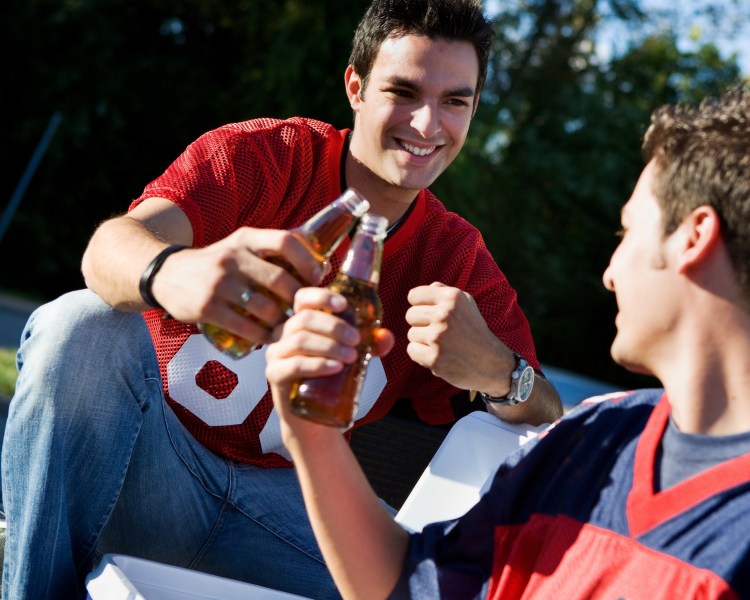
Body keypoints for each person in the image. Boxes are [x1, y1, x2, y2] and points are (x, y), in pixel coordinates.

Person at [266, 88, 750, 599]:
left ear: (694, 238)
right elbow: (404, 585)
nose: (609, 272)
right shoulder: (588, 440)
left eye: (627, 232)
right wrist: (314, 437)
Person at [0, 0, 564, 597]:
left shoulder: (455, 260)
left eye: (455, 101)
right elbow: (106, 252)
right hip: (145, 474)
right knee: (81, 325)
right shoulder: (267, 158)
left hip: (283, 518)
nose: (427, 125)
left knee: (423, 587)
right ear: (355, 85)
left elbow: (550, 418)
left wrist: (501, 372)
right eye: (403, 91)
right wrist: (176, 272)